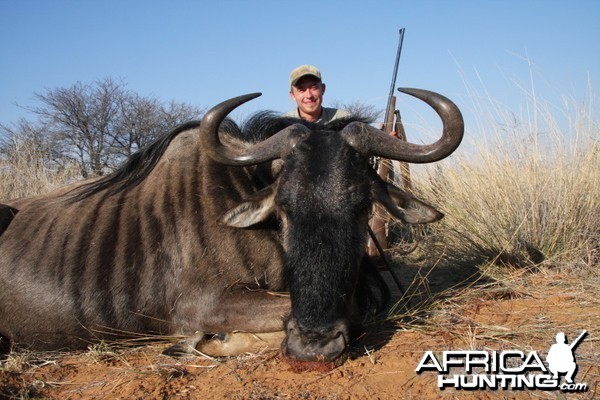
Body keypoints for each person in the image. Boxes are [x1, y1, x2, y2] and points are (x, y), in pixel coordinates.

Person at [283, 65, 351, 123]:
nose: (309, 95)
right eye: (301, 90)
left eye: (314, 88)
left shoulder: (344, 120)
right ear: (292, 95)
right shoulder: (282, 125)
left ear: (323, 89)